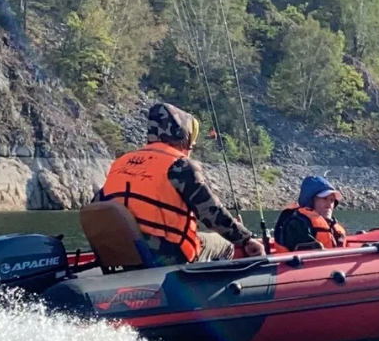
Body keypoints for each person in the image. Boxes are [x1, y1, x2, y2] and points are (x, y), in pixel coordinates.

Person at [96, 102, 265, 264]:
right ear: (182, 136)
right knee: (226, 245)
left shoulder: (121, 163)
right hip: (167, 255)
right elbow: (211, 213)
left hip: (126, 253)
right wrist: (245, 239)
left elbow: (99, 206)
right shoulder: (179, 165)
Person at [273, 175, 347, 251]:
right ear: (310, 201)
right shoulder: (297, 225)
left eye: (332, 200)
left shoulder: (331, 224)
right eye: (324, 199)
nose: (329, 205)